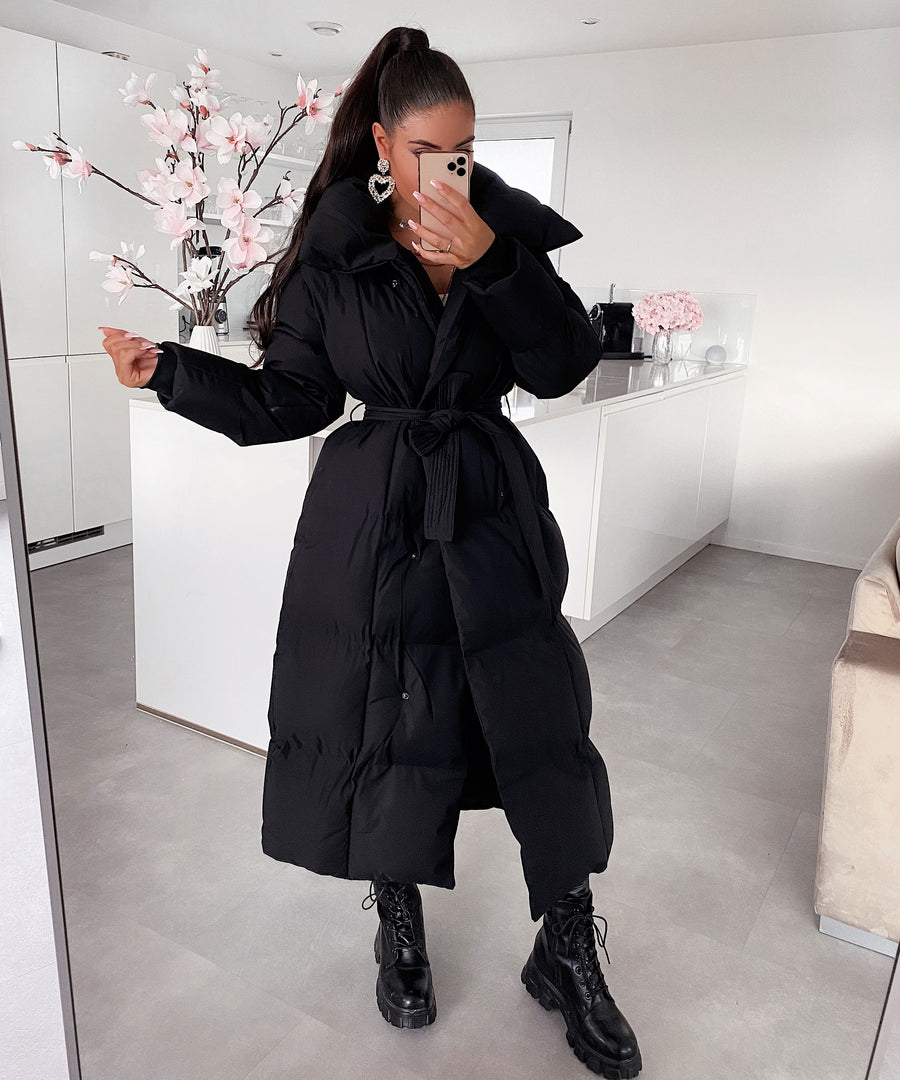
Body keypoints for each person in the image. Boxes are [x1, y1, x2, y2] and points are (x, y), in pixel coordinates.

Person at [101, 25, 642, 1080]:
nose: (449, 169)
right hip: (373, 514)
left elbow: (563, 362)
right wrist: (168, 371)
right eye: (429, 150)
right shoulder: (336, 250)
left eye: (465, 150)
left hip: (489, 505)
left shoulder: (500, 233)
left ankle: (567, 944)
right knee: (389, 718)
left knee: (538, 722)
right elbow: (289, 400)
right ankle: (398, 919)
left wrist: (492, 263)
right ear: (385, 145)